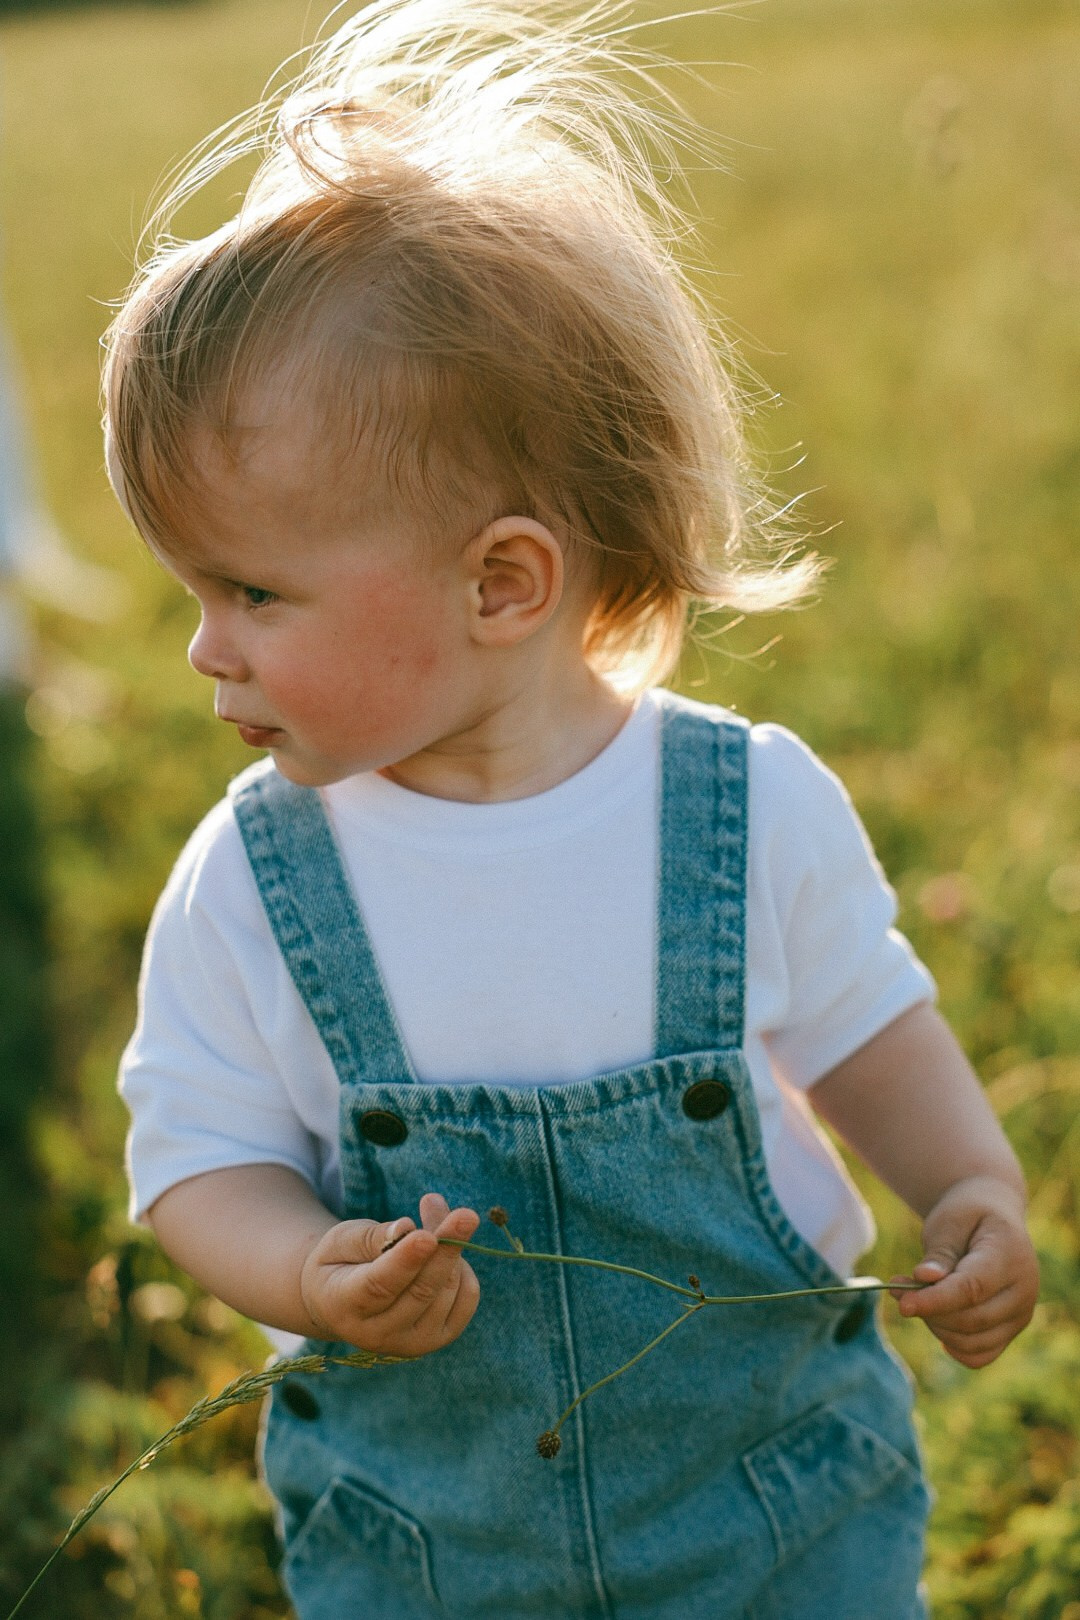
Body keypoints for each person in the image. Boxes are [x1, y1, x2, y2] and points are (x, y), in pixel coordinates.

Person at [106, 3, 1038, 1615]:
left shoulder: (739, 814)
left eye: (254, 589)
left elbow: (866, 1026)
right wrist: (295, 1266)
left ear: (505, 583)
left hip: (774, 1519)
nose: (205, 643)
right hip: (431, 1545)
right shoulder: (257, 879)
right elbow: (198, 1153)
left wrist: (971, 1188)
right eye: (193, 587)